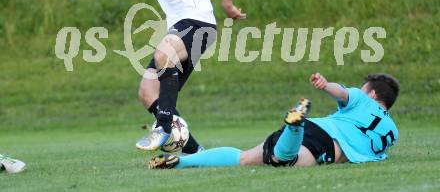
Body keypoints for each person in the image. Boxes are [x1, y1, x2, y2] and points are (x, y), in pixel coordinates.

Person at [46, 0, 246, 154]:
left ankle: (164, 128)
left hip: (199, 24)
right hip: (179, 29)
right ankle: (194, 151)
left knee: (164, 54)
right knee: (147, 91)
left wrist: (226, 3)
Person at [149, 72, 400, 169]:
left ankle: (181, 162)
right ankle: (295, 126)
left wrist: (326, 86)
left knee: (246, 158)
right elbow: (346, 95)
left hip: (320, 129)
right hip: (327, 143)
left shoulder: (362, 99)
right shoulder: (392, 132)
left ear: (373, 93)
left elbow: (343, 92)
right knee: (286, 160)